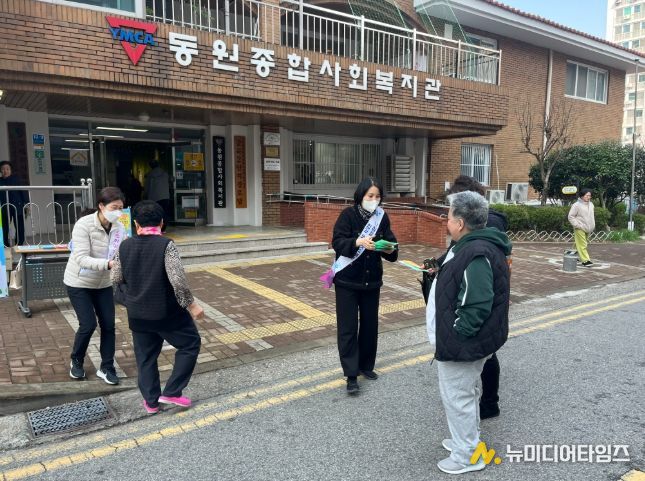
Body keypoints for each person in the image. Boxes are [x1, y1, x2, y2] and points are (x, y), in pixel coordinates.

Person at [426, 191, 511, 475]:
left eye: (449, 216)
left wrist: (457, 334)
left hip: (464, 343)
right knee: (467, 393)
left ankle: (467, 456)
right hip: (468, 342)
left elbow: (476, 304)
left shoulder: (476, 253)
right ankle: (468, 443)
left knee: (458, 397)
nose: (446, 220)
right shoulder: (470, 246)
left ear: (460, 222)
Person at [111, 200, 204, 414]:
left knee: (145, 358)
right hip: (167, 313)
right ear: (161, 223)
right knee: (190, 344)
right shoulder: (166, 245)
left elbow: (115, 278)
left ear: (136, 224)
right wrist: (191, 305)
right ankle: (172, 391)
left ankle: (151, 402)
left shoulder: (124, 246)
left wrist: (130, 299)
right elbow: (178, 281)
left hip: (138, 315)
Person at [330, 177, 398, 395]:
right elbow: (337, 242)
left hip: (372, 281)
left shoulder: (382, 217)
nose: (374, 200)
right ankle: (351, 374)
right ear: (361, 196)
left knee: (370, 325)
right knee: (348, 327)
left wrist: (389, 248)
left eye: (378, 196)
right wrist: (357, 242)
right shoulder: (348, 215)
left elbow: (392, 246)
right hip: (347, 281)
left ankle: (366, 365)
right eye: (370, 196)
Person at [64, 187, 127, 385]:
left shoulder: (119, 228)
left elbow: (122, 253)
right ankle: (76, 360)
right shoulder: (83, 225)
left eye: (121, 208)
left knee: (108, 325)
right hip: (79, 282)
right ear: (101, 206)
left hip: (103, 283)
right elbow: (81, 258)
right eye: (114, 207)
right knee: (88, 324)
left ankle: (107, 367)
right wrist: (108, 264)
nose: (118, 212)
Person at [0, 161, 29, 246]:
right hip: (4, 208)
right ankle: (5, 244)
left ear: (11, 170)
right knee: (4, 227)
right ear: (0, 171)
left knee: (19, 227)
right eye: (3, 169)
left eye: (7, 169)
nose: (5, 171)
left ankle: (19, 244)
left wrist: (27, 204)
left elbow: (23, 192)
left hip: (18, 207)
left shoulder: (16, 179)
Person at [568, 188, 595, 267]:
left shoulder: (591, 204)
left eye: (590, 196)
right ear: (582, 196)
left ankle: (573, 254)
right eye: (587, 195)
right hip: (579, 227)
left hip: (588, 227)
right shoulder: (576, 205)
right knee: (583, 244)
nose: (588, 197)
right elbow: (571, 216)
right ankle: (585, 260)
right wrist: (577, 225)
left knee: (579, 243)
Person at [144, 161, 171, 229]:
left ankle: (157, 227)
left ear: (151, 166)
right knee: (164, 212)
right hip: (165, 196)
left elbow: (147, 187)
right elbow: (172, 179)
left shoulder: (150, 175)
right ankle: (163, 227)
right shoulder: (165, 173)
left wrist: (145, 194)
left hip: (154, 197)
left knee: (155, 213)